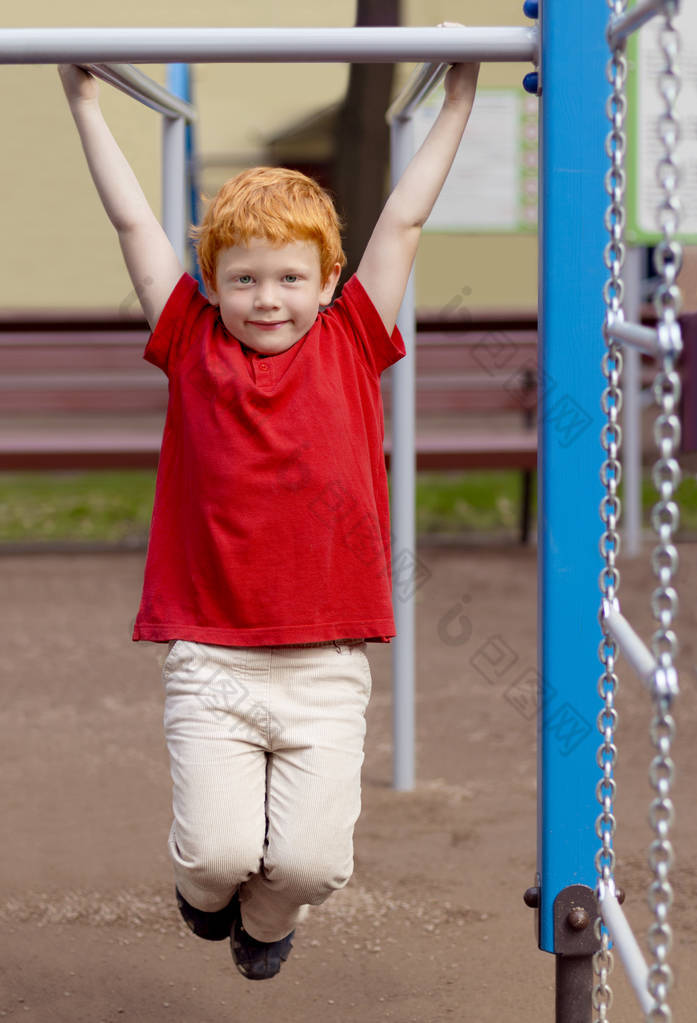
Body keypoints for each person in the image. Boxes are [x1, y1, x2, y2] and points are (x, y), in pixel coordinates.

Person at [58, 50, 479, 982]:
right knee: (214, 856)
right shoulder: (188, 340)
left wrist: (459, 94)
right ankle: (208, 898)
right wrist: (81, 98)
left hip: (326, 661)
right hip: (211, 654)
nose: (266, 299)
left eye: (289, 278)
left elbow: (403, 218)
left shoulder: (353, 338)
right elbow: (132, 218)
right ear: (213, 282)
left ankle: (268, 914)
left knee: (310, 864)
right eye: (243, 278)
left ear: (328, 281)